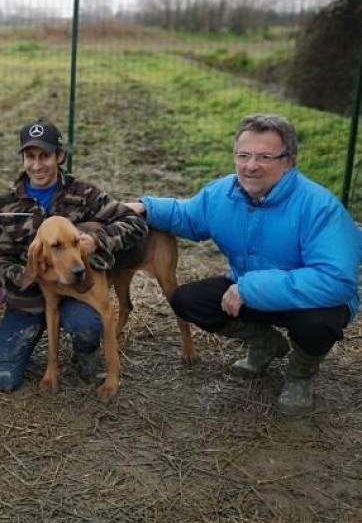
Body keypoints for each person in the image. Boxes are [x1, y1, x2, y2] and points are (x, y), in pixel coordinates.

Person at [128, 113, 361, 415]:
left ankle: (301, 374)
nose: (251, 166)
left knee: (318, 324)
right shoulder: (224, 193)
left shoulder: (320, 207)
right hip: (250, 290)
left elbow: (336, 281)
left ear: (289, 161)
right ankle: (265, 343)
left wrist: (250, 288)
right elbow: (187, 215)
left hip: (312, 300)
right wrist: (143, 208)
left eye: (265, 156)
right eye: (244, 155)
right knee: (188, 300)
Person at [0, 118, 148, 392]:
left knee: (88, 323)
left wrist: (97, 241)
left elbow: (134, 224)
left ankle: (85, 352)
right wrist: (32, 275)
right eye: (30, 157)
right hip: (28, 302)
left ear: (59, 156)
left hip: (76, 291)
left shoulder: (84, 194)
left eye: (45, 156)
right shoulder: (6, 205)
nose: (37, 165)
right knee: (3, 379)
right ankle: (35, 340)